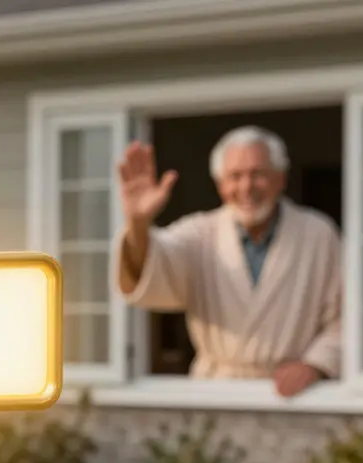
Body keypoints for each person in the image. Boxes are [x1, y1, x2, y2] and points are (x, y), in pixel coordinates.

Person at [113, 126, 341, 398]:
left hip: (294, 395)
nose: (246, 187)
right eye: (235, 176)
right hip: (215, 391)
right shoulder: (200, 234)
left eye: (258, 174)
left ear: (280, 179)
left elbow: (344, 318)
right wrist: (138, 225)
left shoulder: (318, 234)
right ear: (220, 185)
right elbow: (156, 263)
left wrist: (315, 365)